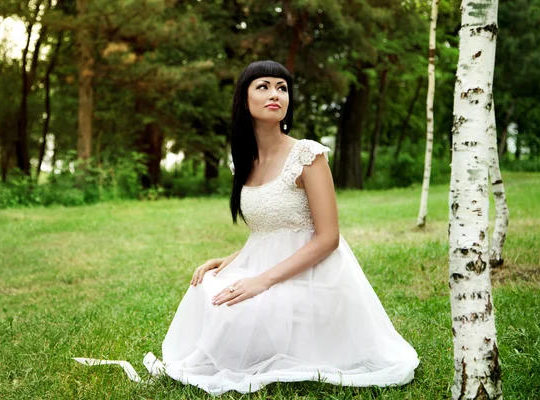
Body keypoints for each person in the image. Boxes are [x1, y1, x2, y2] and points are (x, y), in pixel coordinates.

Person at [75, 60, 419, 395]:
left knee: (239, 307)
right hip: (267, 265)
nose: (276, 94)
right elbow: (272, 229)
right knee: (207, 287)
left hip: (318, 279)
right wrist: (232, 259)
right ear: (244, 99)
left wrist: (262, 280)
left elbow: (328, 238)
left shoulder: (308, 155)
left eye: (282, 88)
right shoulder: (243, 160)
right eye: (264, 86)